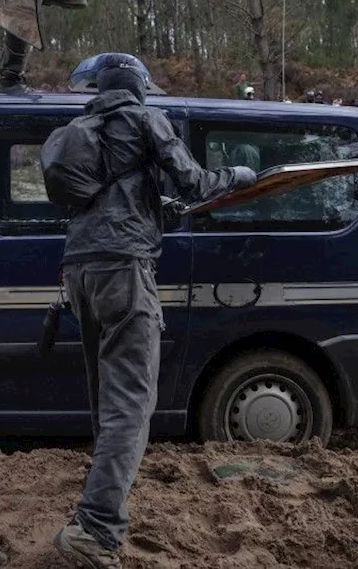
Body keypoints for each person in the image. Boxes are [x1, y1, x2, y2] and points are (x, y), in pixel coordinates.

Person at [54, 52, 255, 568]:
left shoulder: (85, 127)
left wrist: (155, 207)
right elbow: (195, 183)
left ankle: (102, 506)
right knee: (132, 405)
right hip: (124, 271)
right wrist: (237, 174)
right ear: (139, 88)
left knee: (107, 400)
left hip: (79, 271)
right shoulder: (146, 119)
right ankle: (95, 532)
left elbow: (107, 199)